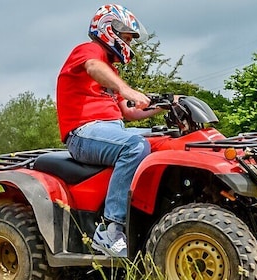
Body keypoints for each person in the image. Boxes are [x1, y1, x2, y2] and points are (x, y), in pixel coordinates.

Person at [56, 4, 162, 257]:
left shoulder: (111, 72)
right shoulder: (89, 51)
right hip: (83, 133)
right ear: (108, 29)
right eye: (126, 37)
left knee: (166, 140)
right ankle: (111, 230)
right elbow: (93, 68)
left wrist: (166, 106)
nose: (129, 44)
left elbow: (129, 112)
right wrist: (127, 90)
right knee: (135, 146)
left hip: (109, 131)